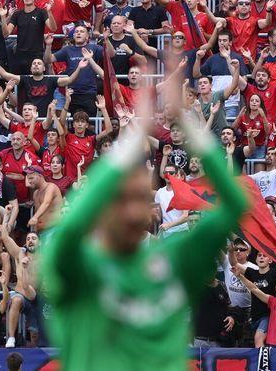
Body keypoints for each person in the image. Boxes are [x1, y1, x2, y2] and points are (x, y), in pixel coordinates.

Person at [39, 99, 247, 370]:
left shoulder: (172, 259)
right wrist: (124, 149)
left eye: (140, 199)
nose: (133, 211)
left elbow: (235, 204)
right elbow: (66, 232)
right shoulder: (82, 268)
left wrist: (193, 130)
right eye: (121, 200)